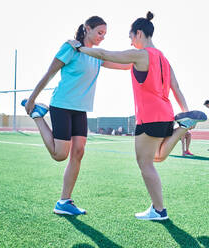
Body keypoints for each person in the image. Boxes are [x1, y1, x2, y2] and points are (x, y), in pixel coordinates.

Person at [67, 11, 207, 220]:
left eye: (131, 37)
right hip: (166, 114)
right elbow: (175, 86)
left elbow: (106, 54)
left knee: (146, 163)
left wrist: (81, 48)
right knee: (156, 157)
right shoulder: (163, 58)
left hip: (149, 116)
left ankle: (159, 210)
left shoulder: (141, 55)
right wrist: (184, 108)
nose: (131, 43)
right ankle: (183, 125)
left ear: (139, 33)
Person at [22, 16, 131, 215]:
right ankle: (38, 116)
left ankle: (64, 201)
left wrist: (143, 57)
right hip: (62, 105)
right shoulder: (70, 48)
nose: (102, 37)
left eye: (105, 34)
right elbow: (49, 74)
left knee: (78, 152)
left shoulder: (96, 55)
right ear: (87, 29)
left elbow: (124, 64)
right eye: (99, 32)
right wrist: (31, 99)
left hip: (81, 109)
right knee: (60, 155)